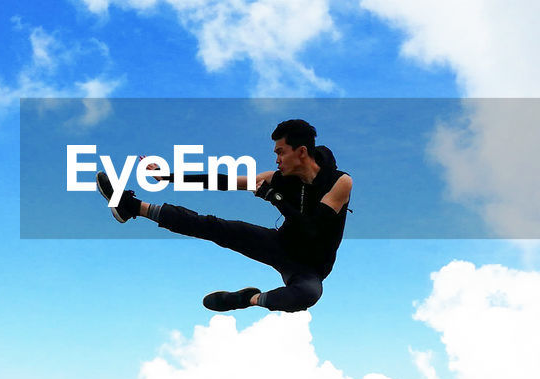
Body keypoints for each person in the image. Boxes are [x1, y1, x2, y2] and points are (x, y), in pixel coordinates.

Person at [96, 119, 352, 312]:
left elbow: (312, 229)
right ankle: (132, 206)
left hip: (310, 269)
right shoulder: (280, 178)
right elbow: (223, 180)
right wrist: (169, 176)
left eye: (280, 152)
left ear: (302, 152)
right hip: (280, 245)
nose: (276, 159)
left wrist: (274, 198)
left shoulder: (339, 183)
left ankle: (246, 299)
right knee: (213, 227)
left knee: (307, 296)